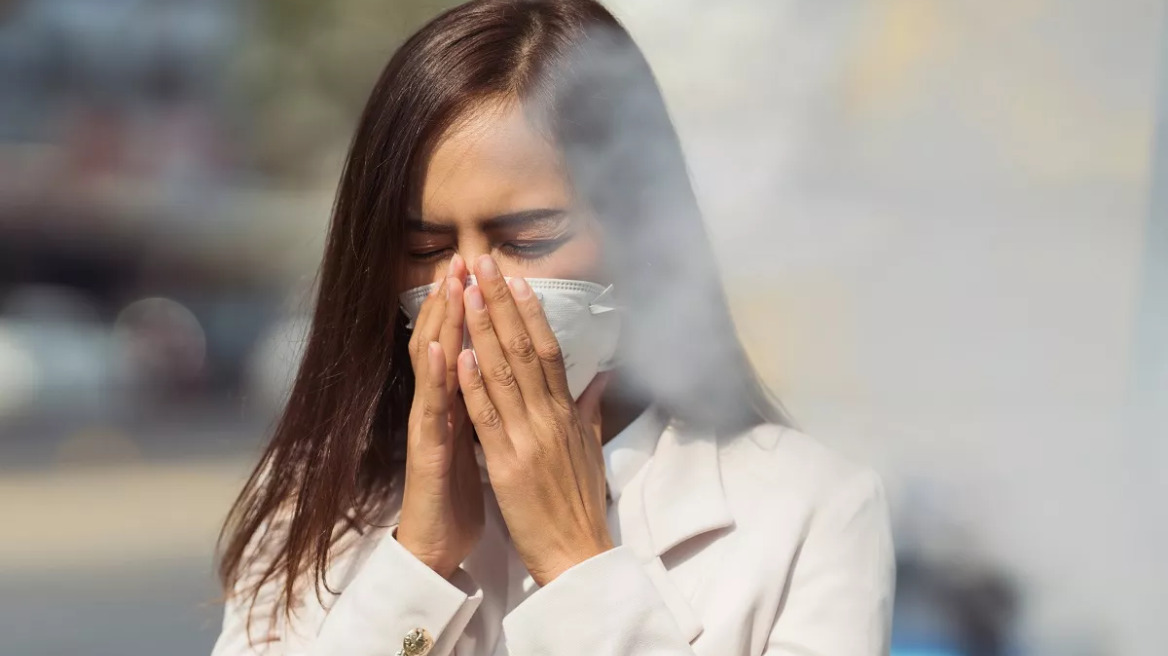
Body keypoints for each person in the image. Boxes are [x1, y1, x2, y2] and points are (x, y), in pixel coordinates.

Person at [212, 1, 894, 655]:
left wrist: (575, 562)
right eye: (427, 248)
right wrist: (416, 568)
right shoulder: (313, 504)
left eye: (527, 240)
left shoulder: (808, 511)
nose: (472, 288)